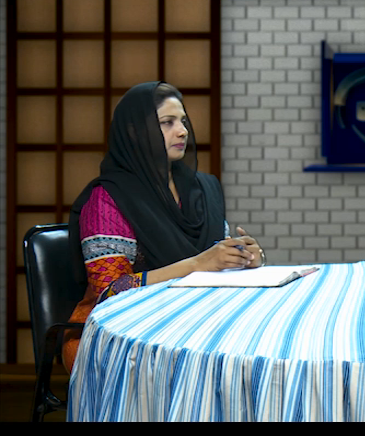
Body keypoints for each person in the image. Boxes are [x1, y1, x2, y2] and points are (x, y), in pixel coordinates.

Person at [62, 81, 264, 373]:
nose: (182, 131)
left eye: (182, 121)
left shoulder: (203, 188)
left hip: (192, 315)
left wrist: (243, 257)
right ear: (135, 131)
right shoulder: (108, 199)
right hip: (119, 330)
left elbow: (215, 262)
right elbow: (111, 291)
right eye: (167, 123)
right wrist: (198, 264)